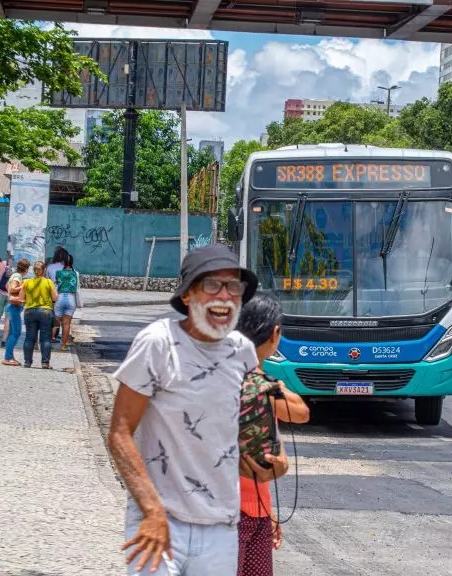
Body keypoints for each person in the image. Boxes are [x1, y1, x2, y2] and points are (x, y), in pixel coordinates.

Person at [107, 244, 289, 576]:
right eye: (211, 285)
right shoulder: (157, 343)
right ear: (188, 295)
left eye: (234, 286)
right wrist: (150, 509)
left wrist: (273, 464)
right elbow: (119, 432)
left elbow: (250, 430)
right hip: (160, 520)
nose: (225, 295)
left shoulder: (243, 351)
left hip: (221, 525)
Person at [234, 295, 310, 576]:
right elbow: (301, 412)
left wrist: (268, 511)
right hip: (230, 512)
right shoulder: (252, 382)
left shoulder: (231, 377)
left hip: (257, 509)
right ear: (275, 333)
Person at [22, 260, 58, 369]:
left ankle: (27, 362)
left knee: (29, 338)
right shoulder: (48, 282)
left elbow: (21, 298)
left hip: (30, 312)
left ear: (34, 271)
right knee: (45, 339)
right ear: (44, 270)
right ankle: (45, 363)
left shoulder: (27, 282)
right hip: (45, 312)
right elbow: (55, 298)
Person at [2, 259, 28, 366]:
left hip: (12, 307)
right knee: (16, 333)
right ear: (26, 269)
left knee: (12, 333)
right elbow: (12, 288)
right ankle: (8, 358)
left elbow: (7, 286)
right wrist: (24, 286)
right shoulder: (17, 277)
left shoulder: (15, 275)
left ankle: (9, 356)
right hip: (14, 307)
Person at [54, 254, 79, 352]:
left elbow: (56, 284)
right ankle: (63, 346)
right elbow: (77, 287)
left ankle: (50, 339)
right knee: (66, 324)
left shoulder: (58, 273)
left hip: (60, 298)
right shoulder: (75, 273)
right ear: (72, 262)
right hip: (71, 298)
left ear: (62, 262)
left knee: (56, 323)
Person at [47, 246, 68, 343]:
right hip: (62, 294)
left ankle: (49, 334)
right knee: (59, 316)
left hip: (51, 293)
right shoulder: (65, 268)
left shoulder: (50, 267)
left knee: (51, 314)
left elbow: (47, 280)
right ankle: (54, 336)